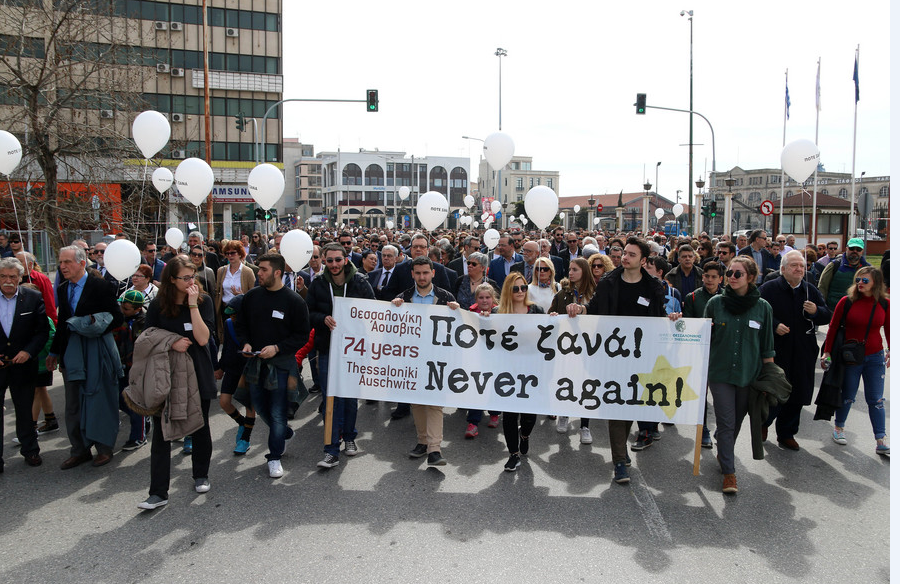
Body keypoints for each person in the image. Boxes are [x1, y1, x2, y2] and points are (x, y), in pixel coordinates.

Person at [577, 237, 669, 484]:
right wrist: (580, 310)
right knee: (617, 406)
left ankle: (622, 451)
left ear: (643, 260)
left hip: (641, 357)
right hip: (613, 356)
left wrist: (674, 319)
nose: (624, 257)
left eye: (631, 254)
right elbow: (594, 308)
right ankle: (619, 460)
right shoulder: (609, 282)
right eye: (624, 253)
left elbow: (660, 319)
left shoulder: (653, 288)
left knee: (632, 404)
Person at [138, 255, 216, 509]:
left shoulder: (202, 301)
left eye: (193, 276)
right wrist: (172, 341)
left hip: (197, 369)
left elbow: (203, 339)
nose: (191, 281)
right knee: (162, 432)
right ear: (171, 279)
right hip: (166, 372)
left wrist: (193, 305)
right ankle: (158, 492)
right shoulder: (159, 304)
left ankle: (200, 474)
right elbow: (147, 337)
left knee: (200, 424)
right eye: (185, 277)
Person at [47, 245, 124, 470]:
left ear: (82, 263)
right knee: (72, 404)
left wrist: (91, 325)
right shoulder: (62, 288)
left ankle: (103, 448)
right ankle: (79, 450)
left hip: (97, 349)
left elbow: (117, 318)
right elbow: (62, 323)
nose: (62, 267)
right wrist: (54, 352)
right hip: (72, 352)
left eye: (67, 262)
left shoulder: (100, 285)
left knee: (99, 399)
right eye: (60, 262)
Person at [704, 256, 775, 494]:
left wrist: (769, 378)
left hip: (749, 375)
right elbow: (702, 340)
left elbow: (767, 348)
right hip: (720, 372)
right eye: (730, 273)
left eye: (738, 274)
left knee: (736, 422)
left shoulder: (763, 307)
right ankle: (729, 473)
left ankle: (723, 451)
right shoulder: (715, 303)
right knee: (726, 421)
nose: (731, 277)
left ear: (751, 278)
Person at [236, 253, 310, 478]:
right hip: (256, 364)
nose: (259, 273)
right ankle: (284, 434)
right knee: (258, 405)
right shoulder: (251, 297)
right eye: (259, 269)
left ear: (277, 272)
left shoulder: (294, 301)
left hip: (281, 364)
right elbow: (241, 325)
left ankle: (274, 456)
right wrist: (246, 343)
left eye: (263, 270)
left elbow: (302, 335)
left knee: (278, 413)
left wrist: (277, 348)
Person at [307, 243, 374, 469]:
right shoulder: (317, 284)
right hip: (327, 349)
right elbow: (309, 313)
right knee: (330, 398)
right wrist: (322, 319)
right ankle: (331, 449)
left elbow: (373, 312)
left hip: (353, 349)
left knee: (349, 397)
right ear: (324, 261)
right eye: (329, 260)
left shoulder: (360, 282)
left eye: (338, 260)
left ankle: (350, 437)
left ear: (346, 259)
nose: (334, 264)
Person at [759, 250, 832, 451]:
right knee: (775, 392)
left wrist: (816, 312)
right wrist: (774, 325)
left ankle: (787, 433)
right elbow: (757, 313)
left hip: (803, 351)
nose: (799, 269)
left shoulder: (810, 290)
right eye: (794, 265)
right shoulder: (769, 289)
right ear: (783, 269)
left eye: (802, 265)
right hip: (777, 350)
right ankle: (764, 423)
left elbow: (827, 315)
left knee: (797, 393)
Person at [391, 256, 459, 466]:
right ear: (412, 274)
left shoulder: (445, 297)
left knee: (435, 404)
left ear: (433, 273)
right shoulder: (403, 298)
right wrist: (394, 309)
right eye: (418, 273)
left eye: (425, 273)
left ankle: (435, 449)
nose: (422, 277)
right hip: (413, 359)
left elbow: (457, 329)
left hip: (438, 359)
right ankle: (422, 442)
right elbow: (393, 330)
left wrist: (457, 310)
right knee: (417, 403)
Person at [821, 266, 890, 456]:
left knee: (876, 399)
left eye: (865, 280)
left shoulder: (884, 304)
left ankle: (881, 439)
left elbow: (890, 328)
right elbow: (833, 328)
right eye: (858, 279)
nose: (860, 283)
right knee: (848, 395)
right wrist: (827, 352)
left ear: (875, 283)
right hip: (850, 356)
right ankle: (839, 428)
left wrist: (891, 349)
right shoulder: (847, 301)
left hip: (875, 357)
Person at [0, 258, 50, 471]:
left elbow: (42, 331)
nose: (8, 281)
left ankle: (30, 450)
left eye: (13, 277)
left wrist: (28, 352)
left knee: (24, 410)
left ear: (20, 278)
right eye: (3, 276)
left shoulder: (33, 297)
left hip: (23, 364)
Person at [494, 272, 545, 471]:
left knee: (529, 415)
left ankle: (524, 434)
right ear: (508, 290)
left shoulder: (537, 310)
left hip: (532, 370)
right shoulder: (499, 313)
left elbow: (549, 334)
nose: (521, 291)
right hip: (507, 371)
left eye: (524, 287)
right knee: (509, 414)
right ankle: (513, 453)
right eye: (516, 288)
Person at [549, 257, 596, 444]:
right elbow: (551, 316)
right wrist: (553, 316)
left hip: (589, 347)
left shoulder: (595, 294)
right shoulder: (562, 294)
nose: (570, 272)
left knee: (586, 385)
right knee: (566, 381)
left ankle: (585, 425)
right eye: (569, 269)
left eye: (575, 269)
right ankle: (564, 414)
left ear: (584, 271)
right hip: (566, 348)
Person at [682, 261, 725, 448]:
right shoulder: (692, 297)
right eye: (706, 276)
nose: (709, 280)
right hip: (700, 350)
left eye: (714, 277)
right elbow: (689, 324)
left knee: (721, 395)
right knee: (701, 394)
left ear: (721, 279)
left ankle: (722, 430)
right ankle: (704, 429)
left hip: (721, 350)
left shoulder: (726, 297)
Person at [215, 295, 256, 455]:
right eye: (230, 315)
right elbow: (226, 348)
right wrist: (220, 367)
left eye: (234, 314)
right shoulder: (228, 324)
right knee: (224, 402)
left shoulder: (254, 325)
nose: (232, 318)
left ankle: (245, 438)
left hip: (248, 369)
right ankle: (241, 422)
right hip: (232, 368)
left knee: (249, 404)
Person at [462, 283, 502, 437]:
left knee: (493, 385)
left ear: (493, 299)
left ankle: (494, 414)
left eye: (487, 297)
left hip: (495, 357)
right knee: (476, 387)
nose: (484, 300)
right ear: (476, 299)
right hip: (476, 357)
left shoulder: (501, 313)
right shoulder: (469, 313)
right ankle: (473, 423)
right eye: (481, 297)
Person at [112, 290, 150, 451]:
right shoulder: (119, 320)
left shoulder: (145, 322)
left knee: (135, 401)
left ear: (137, 309)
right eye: (122, 306)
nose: (122, 310)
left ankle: (138, 437)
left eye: (126, 308)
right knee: (120, 398)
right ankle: (144, 416)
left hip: (138, 367)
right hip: (122, 365)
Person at [215, 239, 256, 338]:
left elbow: (253, 294)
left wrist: (241, 295)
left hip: (240, 310)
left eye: (233, 253)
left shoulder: (247, 271)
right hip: (225, 309)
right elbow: (218, 291)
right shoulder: (221, 271)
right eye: (227, 253)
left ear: (240, 254)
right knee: (226, 339)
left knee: (239, 338)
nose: (229, 256)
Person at [818, 238, 871, 311]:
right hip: (834, 310)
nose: (854, 251)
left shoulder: (868, 269)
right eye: (852, 248)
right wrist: (822, 308)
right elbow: (822, 287)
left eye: (858, 249)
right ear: (846, 248)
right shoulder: (834, 265)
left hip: (858, 311)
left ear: (862, 251)